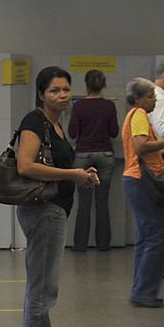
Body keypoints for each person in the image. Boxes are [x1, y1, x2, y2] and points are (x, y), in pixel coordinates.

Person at [15, 66, 98, 327]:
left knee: (45, 288)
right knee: (41, 289)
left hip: (54, 210)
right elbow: (25, 165)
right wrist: (71, 174)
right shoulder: (35, 121)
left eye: (66, 89)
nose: (62, 95)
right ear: (41, 94)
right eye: (54, 91)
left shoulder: (56, 124)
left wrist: (81, 177)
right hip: (43, 211)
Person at [122, 78, 164, 308]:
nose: (155, 98)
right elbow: (140, 146)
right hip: (142, 180)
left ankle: (141, 288)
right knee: (156, 236)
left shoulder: (135, 115)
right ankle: (144, 291)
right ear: (138, 98)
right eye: (150, 95)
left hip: (135, 179)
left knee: (145, 237)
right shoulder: (139, 115)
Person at [68, 69, 119, 251]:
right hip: (105, 155)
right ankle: (103, 244)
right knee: (102, 202)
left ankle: (80, 245)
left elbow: (72, 133)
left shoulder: (79, 106)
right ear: (103, 85)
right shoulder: (109, 106)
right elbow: (114, 132)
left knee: (84, 203)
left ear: (86, 85)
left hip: (83, 155)